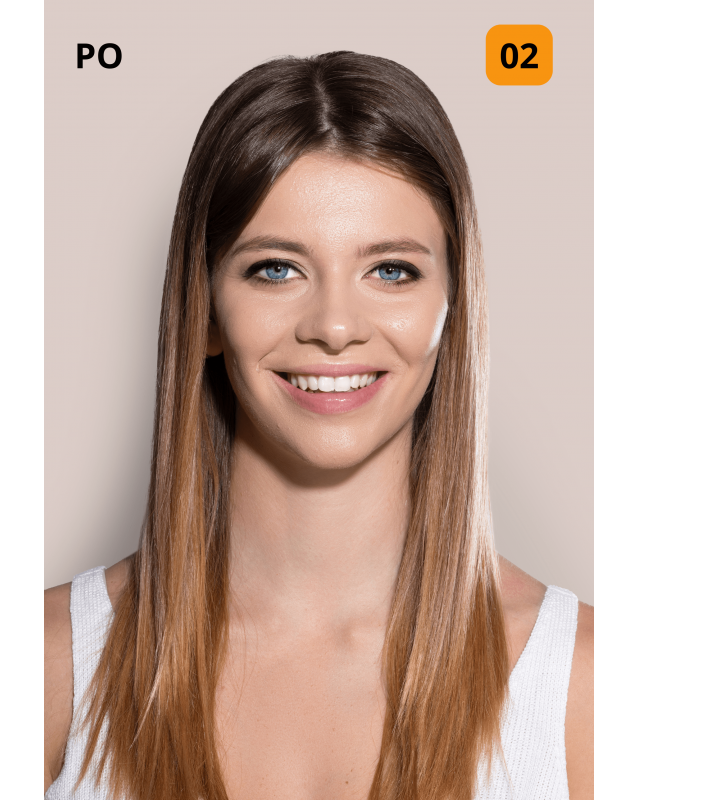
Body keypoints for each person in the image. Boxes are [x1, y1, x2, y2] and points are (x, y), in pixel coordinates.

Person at [44, 51, 593, 800]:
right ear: (205, 309)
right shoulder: (42, 669)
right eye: (276, 268)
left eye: (391, 270)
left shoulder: (589, 688)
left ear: (453, 309)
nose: (334, 327)